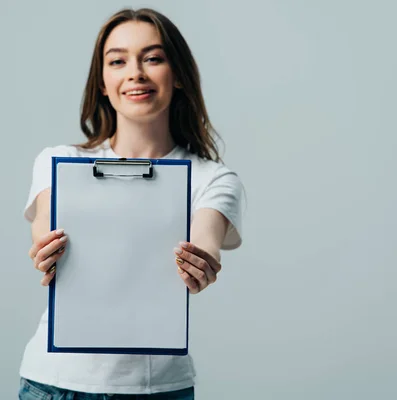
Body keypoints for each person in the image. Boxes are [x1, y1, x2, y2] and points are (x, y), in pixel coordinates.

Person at [19, 7, 244, 400]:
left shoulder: (212, 178)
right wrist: (46, 250)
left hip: (160, 389)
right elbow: (45, 226)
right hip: (55, 383)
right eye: (118, 61)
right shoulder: (57, 161)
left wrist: (200, 266)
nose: (135, 72)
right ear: (103, 83)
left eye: (153, 58)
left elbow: (205, 244)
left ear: (178, 77)